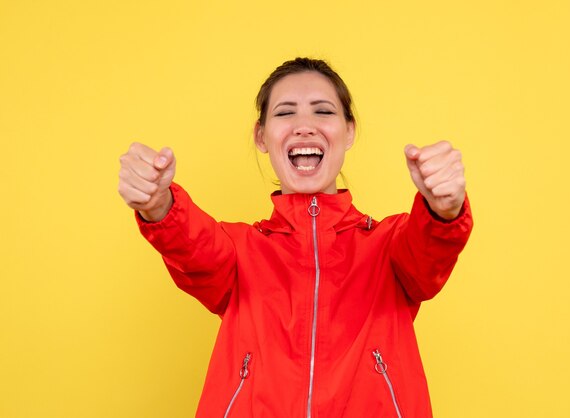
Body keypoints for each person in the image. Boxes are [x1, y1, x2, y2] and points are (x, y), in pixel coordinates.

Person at [118, 57, 473, 418]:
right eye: (286, 113)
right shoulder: (239, 250)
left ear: (349, 131)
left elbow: (429, 247)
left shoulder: (389, 245)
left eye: (323, 111)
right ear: (261, 135)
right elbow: (193, 246)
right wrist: (159, 203)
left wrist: (443, 207)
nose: (304, 126)